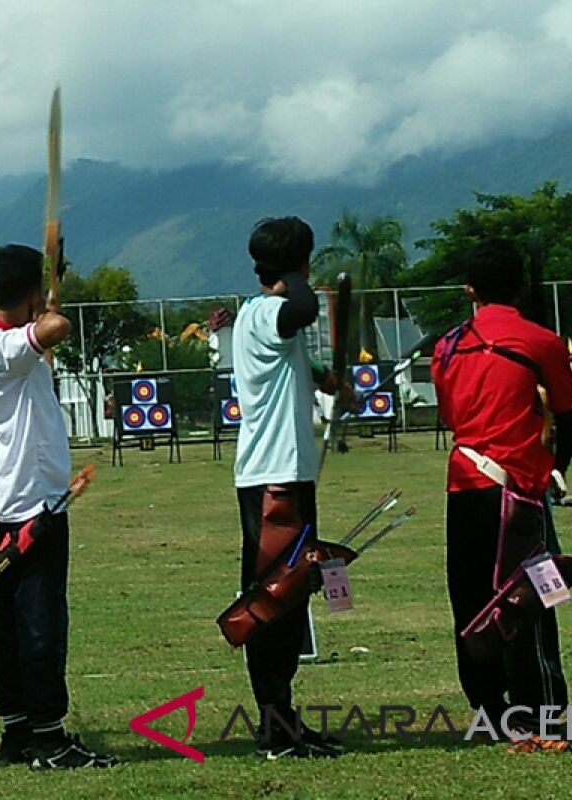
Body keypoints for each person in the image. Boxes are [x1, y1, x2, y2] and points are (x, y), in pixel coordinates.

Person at [432, 237, 572, 748]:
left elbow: (452, 418)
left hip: (464, 486)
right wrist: (557, 470)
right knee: (529, 601)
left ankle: (489, 712)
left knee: (472, 599)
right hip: (519, 491)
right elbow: (566, 418)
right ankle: (538, 715)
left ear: (469, 288)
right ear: (519, 285)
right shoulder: (542, 341)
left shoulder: (446, 345)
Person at [0, 244, 116, 770]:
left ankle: (18, 729)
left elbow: (41, 335)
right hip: (30, 504)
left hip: (26, 495)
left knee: (14, 618)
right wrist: (48, 305)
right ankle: (46, 736)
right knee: (38, 621)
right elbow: (55, 331)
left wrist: (41, 296)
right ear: (27, 296)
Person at [232, 217, 340, 759]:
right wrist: (296, 274)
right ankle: (274, 726)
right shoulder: (273, 311)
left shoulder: (263, 318)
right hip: (274, 481)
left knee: (293, 597)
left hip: (285, 476)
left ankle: (284, 719)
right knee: (275, 600)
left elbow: (295, 357)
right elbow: (300, 309)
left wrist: (322, 375)